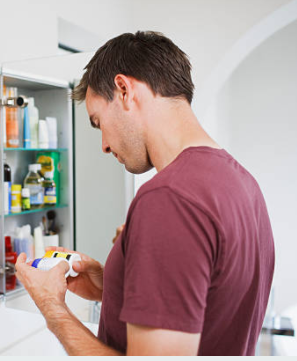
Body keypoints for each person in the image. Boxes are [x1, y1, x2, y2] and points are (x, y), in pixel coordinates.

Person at [15, 31, 275, 356]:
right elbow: (209, 304)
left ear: (124, 90)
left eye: (99, 123)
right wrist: (113, 286)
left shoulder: (168, 199)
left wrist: (52, 308)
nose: (105, 145)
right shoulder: (242, 183)